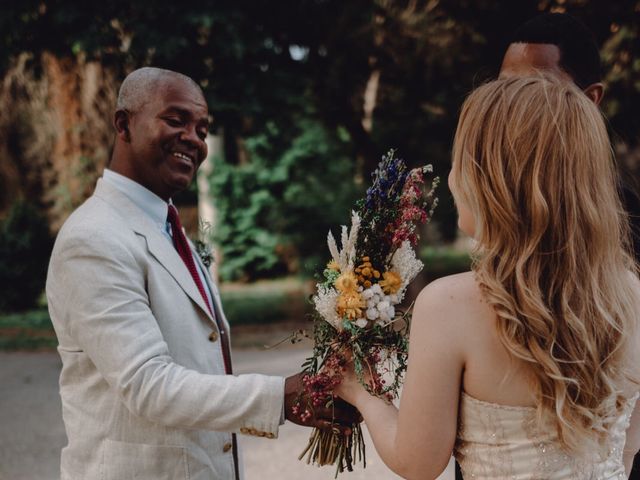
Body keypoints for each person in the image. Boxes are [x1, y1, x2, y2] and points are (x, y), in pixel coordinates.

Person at [46, 67, 358, 480]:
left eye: (202, 128)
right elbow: (148, 384)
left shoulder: (169, 230)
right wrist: (280, 397)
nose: (194, 138)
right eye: (176, 120)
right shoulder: (93, 239)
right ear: (123, 124)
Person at [335, 75, 640, 479]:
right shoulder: (630, 294)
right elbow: (629, 445)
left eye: (460, 160)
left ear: (495, 183)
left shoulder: (449, 306)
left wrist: (360, 391)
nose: (449, 177)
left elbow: (418, 461)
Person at [499, 14, 640, 478]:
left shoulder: (631, 223)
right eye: (504, 89)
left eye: (537, 88)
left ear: (591, 99)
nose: (514, 107)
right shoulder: (495, 215)